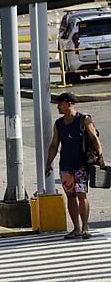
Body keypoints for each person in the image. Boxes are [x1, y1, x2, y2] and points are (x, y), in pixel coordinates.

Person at [46, 92, 104, 240]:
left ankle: (85, 227)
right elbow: (54, 145)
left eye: (60, 103)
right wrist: (48, 163)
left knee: (81, 195)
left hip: (81, 165)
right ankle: (76, 228)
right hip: (66, 165)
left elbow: (94, 139)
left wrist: (100, 156)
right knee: (70, 196)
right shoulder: (59, 124)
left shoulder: (84, 119)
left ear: (69, 103)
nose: (58, 107)